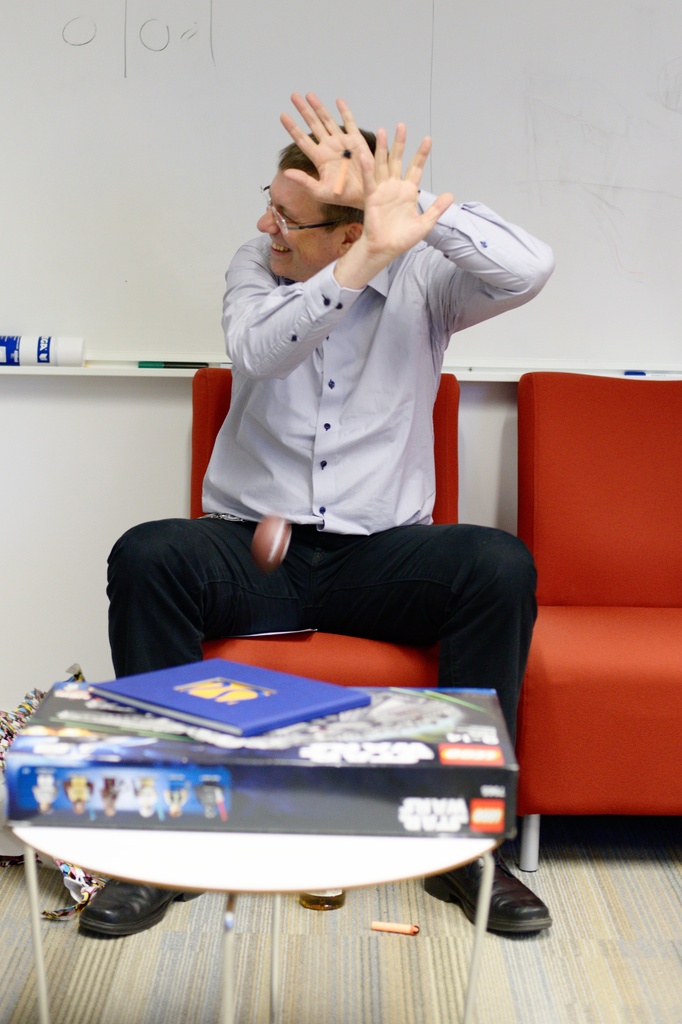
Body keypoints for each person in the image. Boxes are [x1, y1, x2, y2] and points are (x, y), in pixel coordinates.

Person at [79, 93, 555, 938]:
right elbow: (260, 351)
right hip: (254, 552)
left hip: (382, 556)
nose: (266, 225)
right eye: (269, 204)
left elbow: (528, 269)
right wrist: (358, 264)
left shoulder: (426, 281)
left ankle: (468, 851)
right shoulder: (256, 267)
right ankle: (164, 850)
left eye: (288, 218)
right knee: (148, 554)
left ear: (348, 229)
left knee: (497, 565)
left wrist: (409, 211)